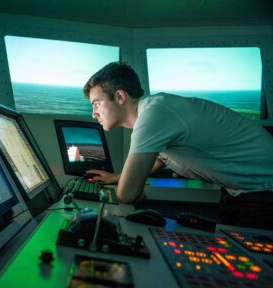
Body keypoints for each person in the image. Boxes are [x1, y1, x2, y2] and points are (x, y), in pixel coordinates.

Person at [83, 62, 273, 230]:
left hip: (263, 191)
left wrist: (132, 187)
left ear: (119, 97)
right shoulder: (155, 110)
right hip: (239, 191)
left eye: (96, 104)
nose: (94, 113)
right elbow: (158, 160)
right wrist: (116, 177)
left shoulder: (153, 114)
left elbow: (126, 195)